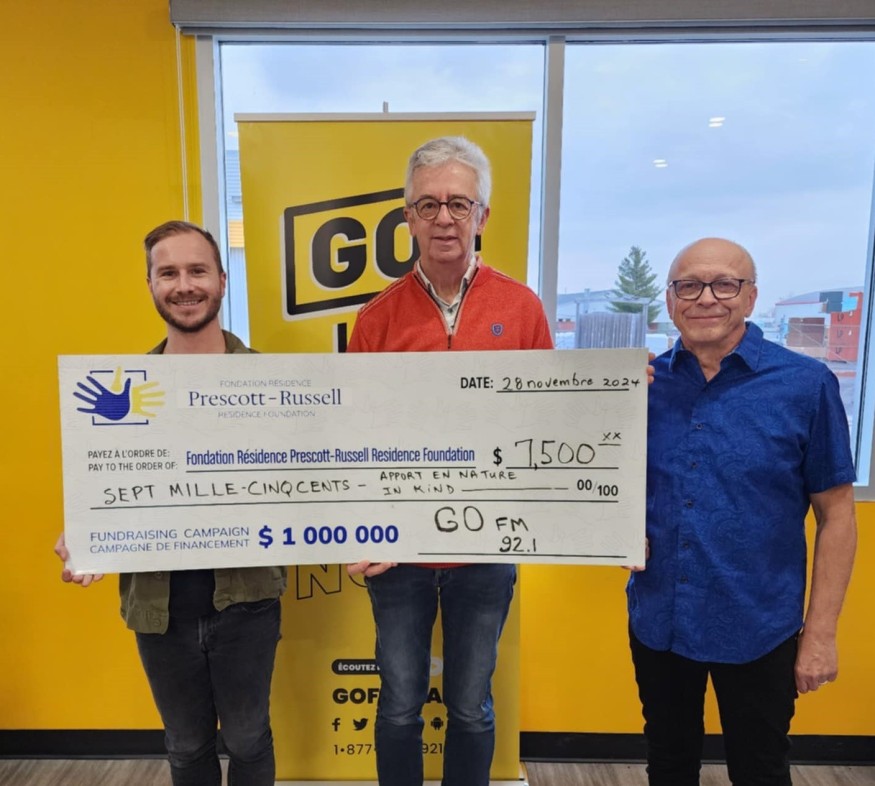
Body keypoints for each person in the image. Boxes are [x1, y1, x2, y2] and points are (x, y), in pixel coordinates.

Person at [346, 136, 553, 786]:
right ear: (407, 217)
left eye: (459, 203)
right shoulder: (376, 320)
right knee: (398, 704)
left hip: (486, 552)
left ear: (481, 215)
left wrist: (619, 398)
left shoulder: (521, 308)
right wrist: (355, 529)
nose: (444, 218)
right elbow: (355, 438)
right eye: (428, 204)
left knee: (470, 706)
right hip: (397, 553)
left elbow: (553, 418)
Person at [55, 220, 287, 786]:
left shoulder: (275, 384)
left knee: (249, 738)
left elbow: (311, 482)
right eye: (169, 273)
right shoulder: (119, 392)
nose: (184, 285)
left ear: (222, 280)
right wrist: (85, 530)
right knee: (185, 746)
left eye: (197, 270)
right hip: (158, 607)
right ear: (151, 285)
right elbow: (109, 485)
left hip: (247, 601)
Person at [627, 237, 857, 785]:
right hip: (660, 617)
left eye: (724, 284)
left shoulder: (805, 386)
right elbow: (607, 483)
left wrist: (820, 634)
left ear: (751, 297)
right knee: (668, 762)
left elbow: (838, 517)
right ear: (670, 300)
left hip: (759, 623)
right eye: (689, 286)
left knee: (760, 770)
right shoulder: (643, 387)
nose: (706, 298)